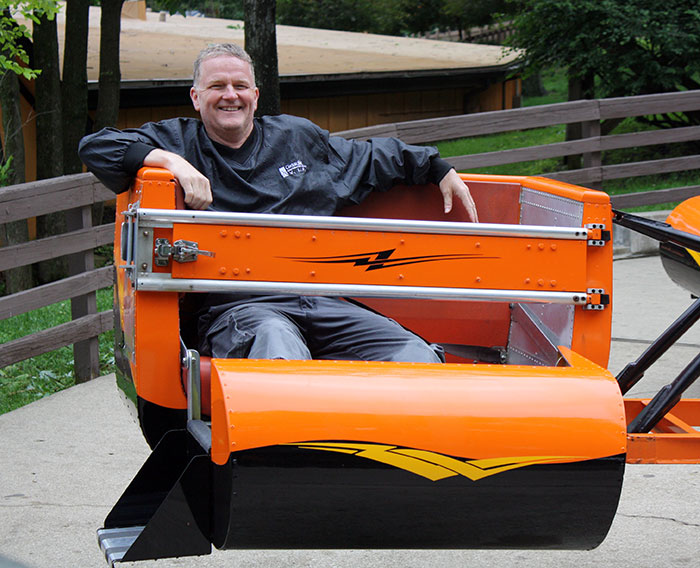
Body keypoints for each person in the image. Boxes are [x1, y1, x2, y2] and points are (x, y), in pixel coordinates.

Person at [79, 43, 479, 363]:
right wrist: (172, 163)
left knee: (413, 353)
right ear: (196, 97)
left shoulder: (296, 138)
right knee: (278, 349)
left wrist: (435, 167)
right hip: (238, 310)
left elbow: (369, 157)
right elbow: (96, 147)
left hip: (319, 300)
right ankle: (289, 460)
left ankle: (389, 459)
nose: (229, 95)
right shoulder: (177, 141)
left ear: (255, 94)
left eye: (239, 86)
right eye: (217, 86)